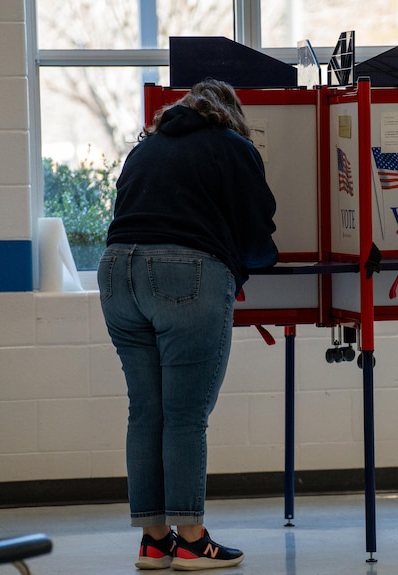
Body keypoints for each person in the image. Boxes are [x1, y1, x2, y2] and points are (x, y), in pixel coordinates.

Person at [98, 79, 278, 571]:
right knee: (184, 415)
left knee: (145, 411)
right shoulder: (232, 147)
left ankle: (155, 542)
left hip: (116, 272)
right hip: (185, 272)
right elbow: (256, 225)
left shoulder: (146, 148)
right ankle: (194, 541)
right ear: (230, 113)